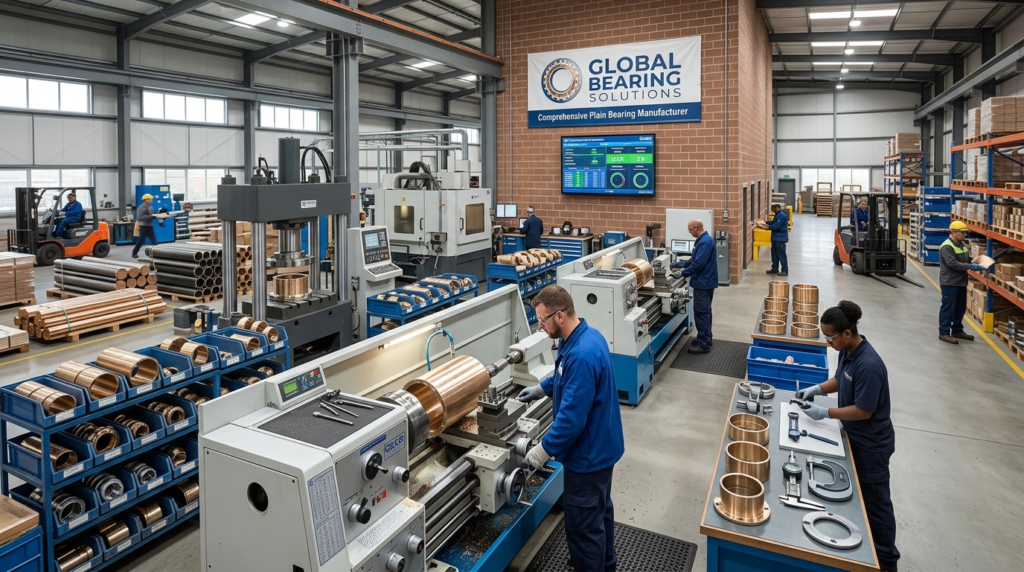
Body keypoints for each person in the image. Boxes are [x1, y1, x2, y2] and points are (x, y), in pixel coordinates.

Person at [518, 285, 624, 572]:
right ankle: (606, 564)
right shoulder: (586, 336)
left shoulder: (581, 354)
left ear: (560, 316)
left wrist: (542, 451)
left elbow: (571, 421)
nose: (540, 326)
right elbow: (566, 376)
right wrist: (543, 388)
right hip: (603, 446)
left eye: (542, 320)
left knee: (582, 527)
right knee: (599, 513)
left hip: (588, 457)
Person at [795, 301, 899, 572]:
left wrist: (826, 412)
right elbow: (841, 379)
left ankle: (887, 561)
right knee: (858, 499)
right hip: (855, 436)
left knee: (876, 503)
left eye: (830, 338)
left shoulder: (869, 365)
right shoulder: (848, 351)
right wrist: (817, 389)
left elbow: (864, 411)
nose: (828, 343)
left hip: (872, 445)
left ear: (847, 333)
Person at [671, 219, 718, 353]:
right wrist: (682, 263)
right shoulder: (702, 240)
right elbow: (694, 260)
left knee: (702, 312)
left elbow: (698, 264)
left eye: (690, 230)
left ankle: (704, 344)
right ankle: (705, 337)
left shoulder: (705, 242)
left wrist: (682, 273)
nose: (689, 232)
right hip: (704, 282)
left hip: (704, 283)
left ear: (696, 228)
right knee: (704, 312)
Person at [938, 221, 984, 345]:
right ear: (953, 232)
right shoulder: (947, 246)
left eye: (965, 232)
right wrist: (972, 266)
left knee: (960, 308)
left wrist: (976, 261)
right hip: (950, 282)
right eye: (962, 233)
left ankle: (957, 330)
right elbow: (952, 263)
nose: (965, 235)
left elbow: (965, 260)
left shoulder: (962, 245)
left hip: (961, 282)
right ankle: (944, 332)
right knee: (948, 307)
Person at [131, 194, 159, 259]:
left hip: (150, 226)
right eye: (150, 199)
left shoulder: (151, 208)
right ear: (146, 200)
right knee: (141, 241)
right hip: (143, 227)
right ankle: (134, 253)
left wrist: (158, 216)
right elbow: (139, 218)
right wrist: (151, 216)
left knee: (154, 241)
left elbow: (152, 216)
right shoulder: (140, 208)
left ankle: (157, 254)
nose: (151, 200)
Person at [765, 203, 789, 276]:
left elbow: (776, 226)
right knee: (774, 254)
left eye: (773, 209)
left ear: (777, 208)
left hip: (780, 238)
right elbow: (773, 222)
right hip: (775, 238)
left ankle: (784, 270)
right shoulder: (777, 215)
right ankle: (774, 269)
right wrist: (765, 223)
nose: (772, 210)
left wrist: (767, 227)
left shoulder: (782, 216)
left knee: (781, 255)